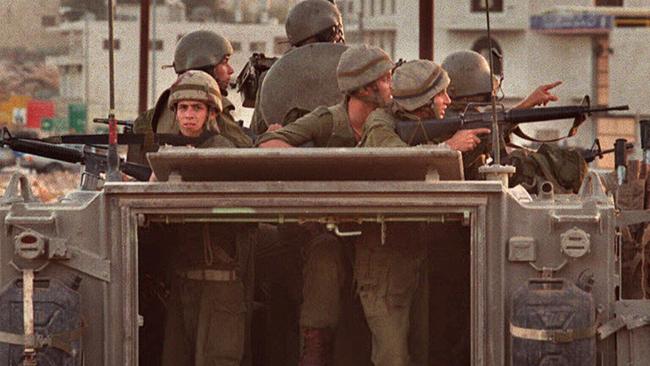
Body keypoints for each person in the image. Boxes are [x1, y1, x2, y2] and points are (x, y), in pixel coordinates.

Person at [257, 45, 394, 366]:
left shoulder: (391, 120)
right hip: (326, 231)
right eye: (386, 79)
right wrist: (321, 168)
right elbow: (270, 143)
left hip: (377, 231)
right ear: (364, 88)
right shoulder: (328, 120)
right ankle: (313, 352)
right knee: (325, 258)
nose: (392, 86)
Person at [357, 60, 489, 366]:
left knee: (420, 353)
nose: (448, 101)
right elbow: (395, 161)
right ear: (422, 102)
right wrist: (446, 147)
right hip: (383, 261)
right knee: (393, 357)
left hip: (413, 255)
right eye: (441, 95)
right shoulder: (380, 123)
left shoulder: (416, 123)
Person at [159, 70, 253, 366]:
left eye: (197, 108)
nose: (188, 115)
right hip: (185, 281)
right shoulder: (172, 151)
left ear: (211, 112)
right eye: (183, 108)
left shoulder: (222, 152)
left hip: (219, 283)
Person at [128, 30, 252, 165]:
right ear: (205, 65)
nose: (230, 70)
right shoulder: (212, 104)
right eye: (224, 62)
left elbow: (139, 128)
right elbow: (246, 149)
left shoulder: (166, 104)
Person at [441, 50, 562, 179]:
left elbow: (494, 125)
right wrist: (450, 147)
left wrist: (528, 103)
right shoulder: (447, 124)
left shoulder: (463, 118)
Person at [249, 0, 345, 135]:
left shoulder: (272, 76)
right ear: (333, 33)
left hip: (286, 150)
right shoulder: (348, 70)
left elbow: (258, 131)